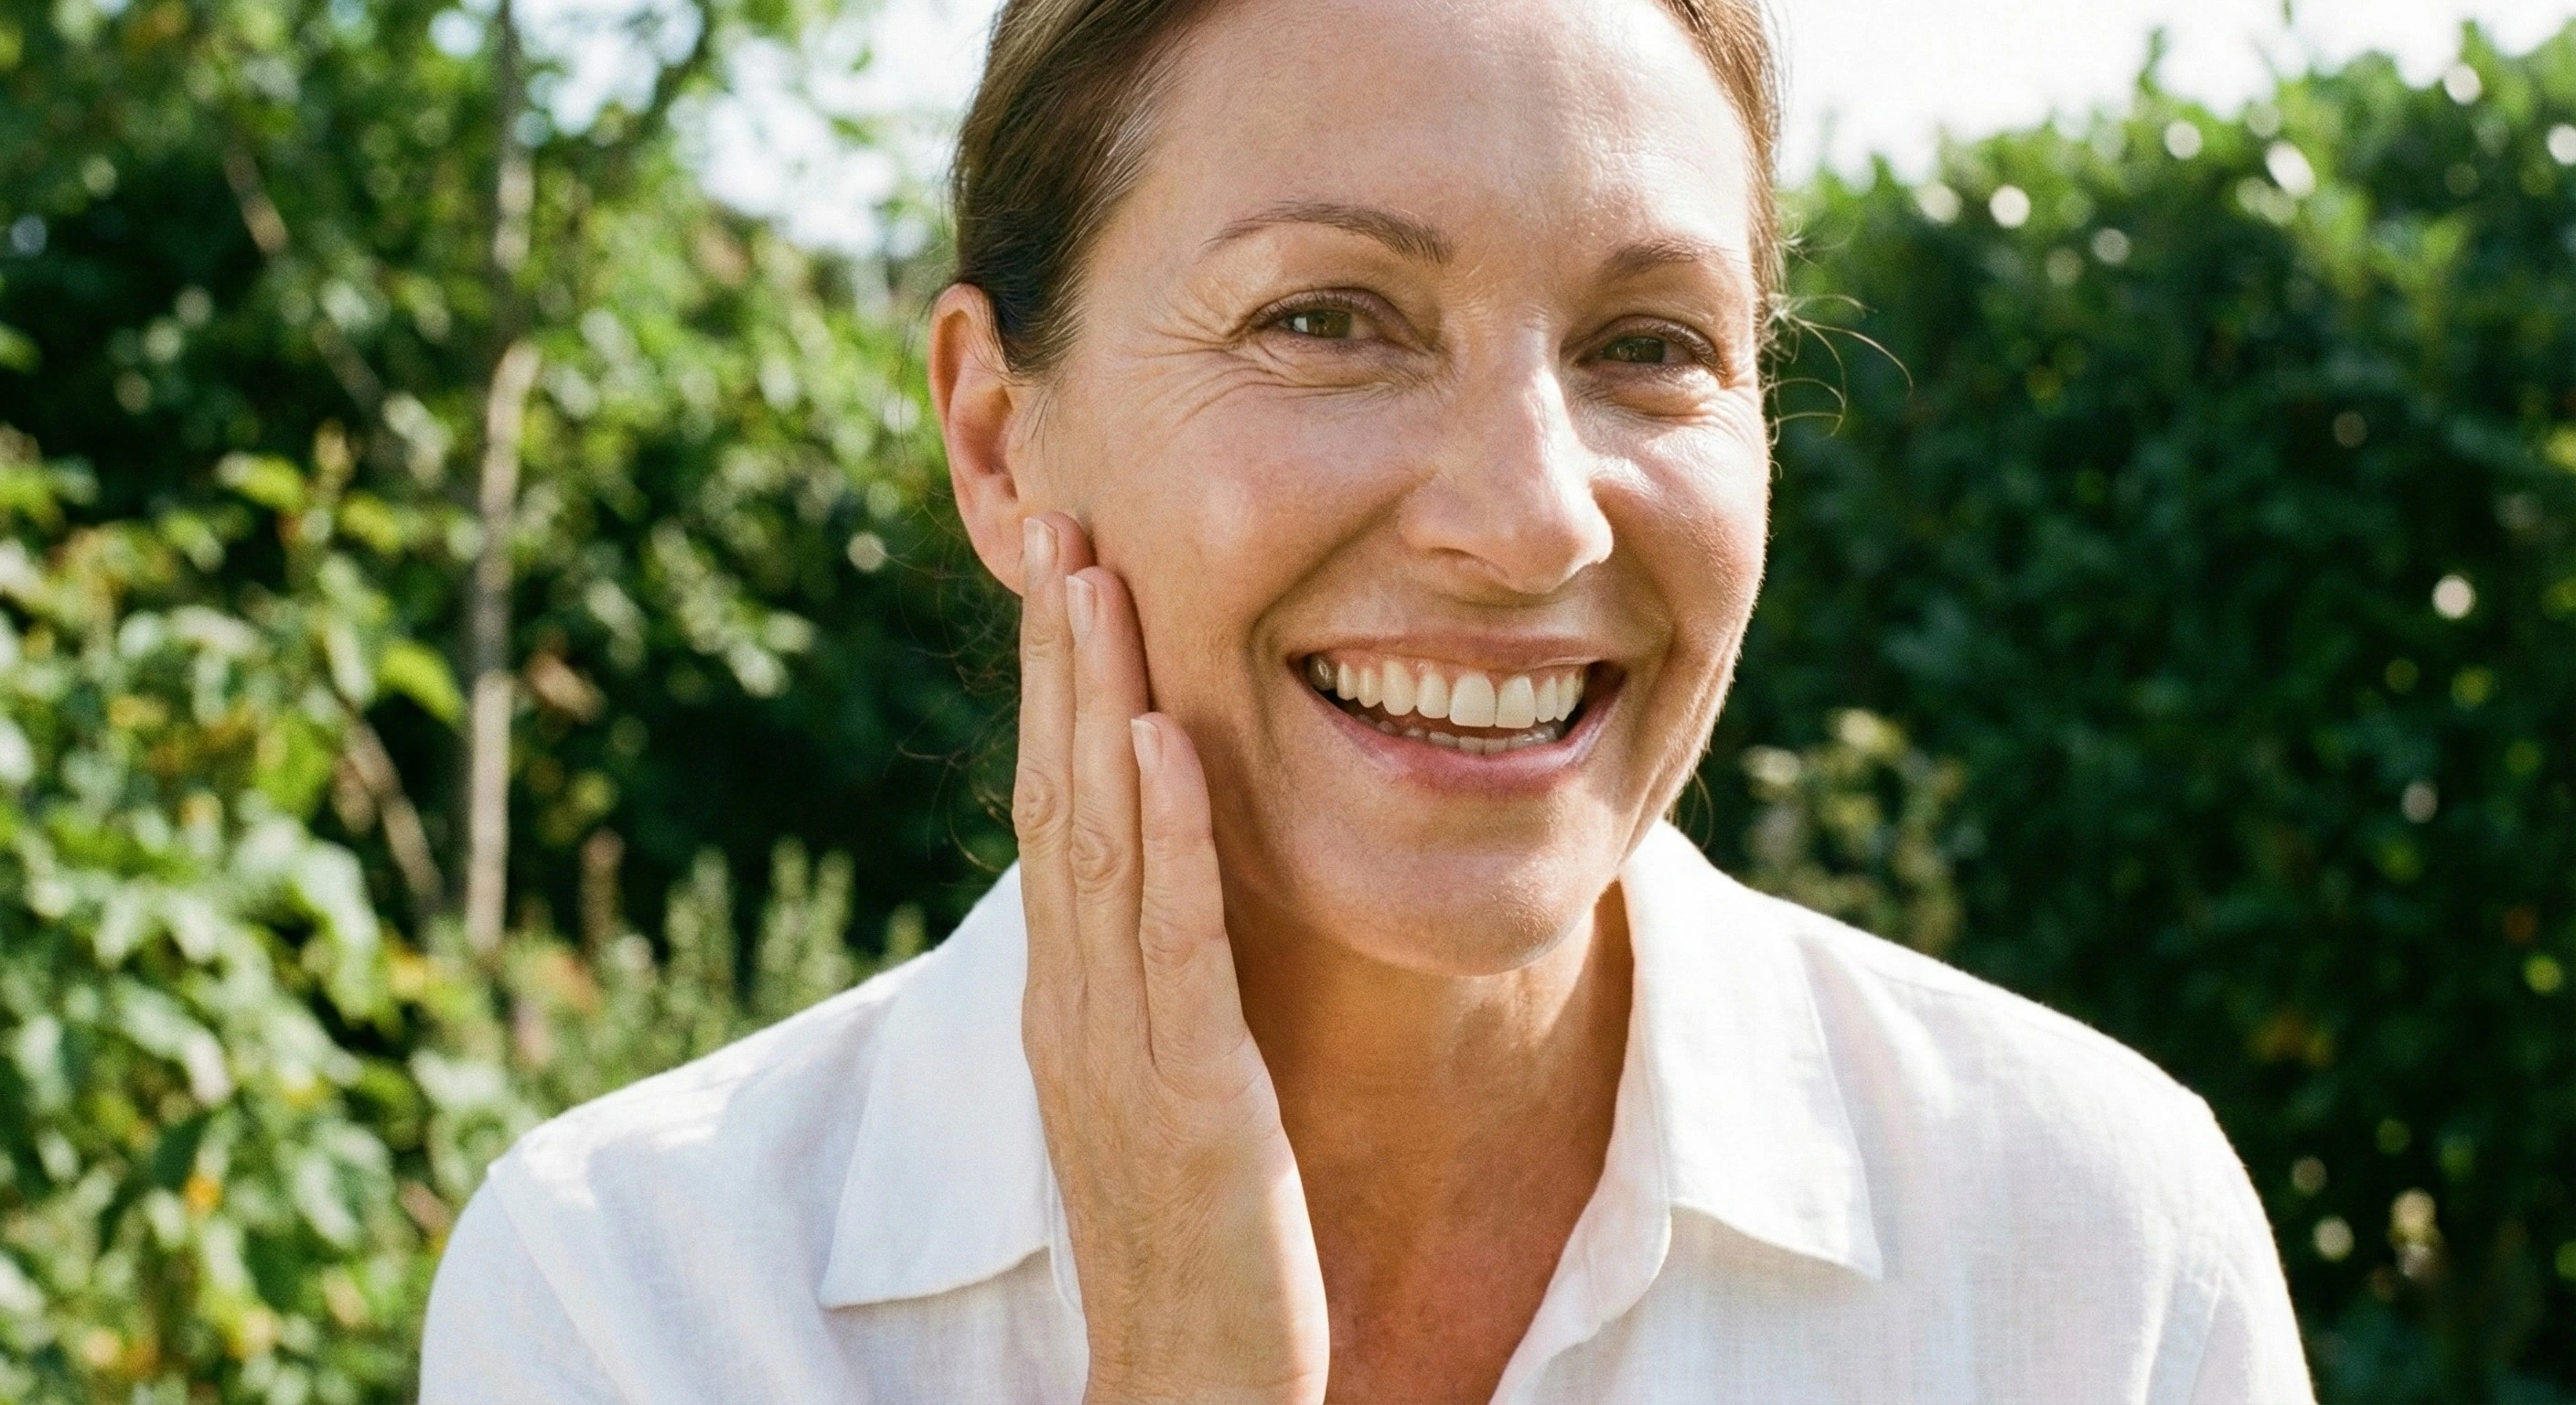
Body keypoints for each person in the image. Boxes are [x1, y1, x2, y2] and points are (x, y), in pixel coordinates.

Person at [418, 0, 2315, 1399]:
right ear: (997, 442)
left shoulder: (2092, 1249)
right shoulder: (639, 1300)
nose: (1527, 517)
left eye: (1649, 346)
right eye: (1324, 318)